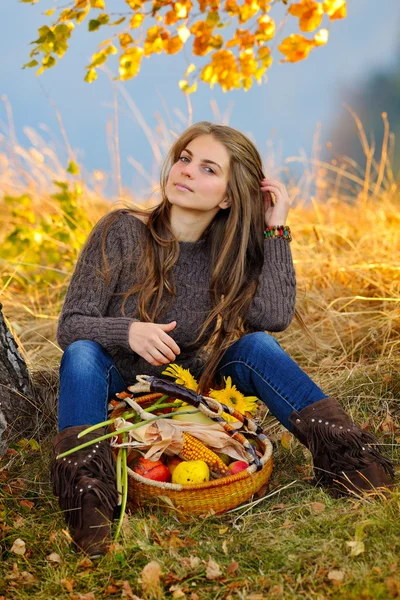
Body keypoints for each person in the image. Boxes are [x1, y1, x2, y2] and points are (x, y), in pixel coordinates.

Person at [51, 121, 395, 558]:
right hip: (116, 382)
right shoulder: (120, 230)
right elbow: (70, 326)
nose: (188, 171)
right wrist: (129, 331)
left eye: (209, 169)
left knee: (257, 347)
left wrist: (276, 227)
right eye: (185, 159)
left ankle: (352, 462)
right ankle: (89, 502)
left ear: (230, 197)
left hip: (191, 385)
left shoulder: (231, 250)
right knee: (81, 354)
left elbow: (273, 316)